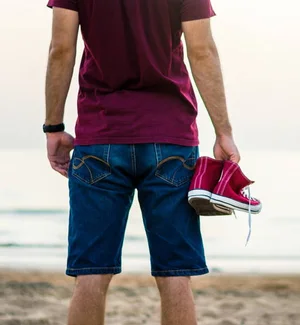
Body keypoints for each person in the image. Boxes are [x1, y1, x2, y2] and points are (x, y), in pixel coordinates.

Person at [43, 1, 239, 324]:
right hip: (170, 137)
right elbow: (201, 50)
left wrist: (53, 127)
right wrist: (224, 132)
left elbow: (61, 49)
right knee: (175, 273)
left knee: (91, 272)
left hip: (100, 136)